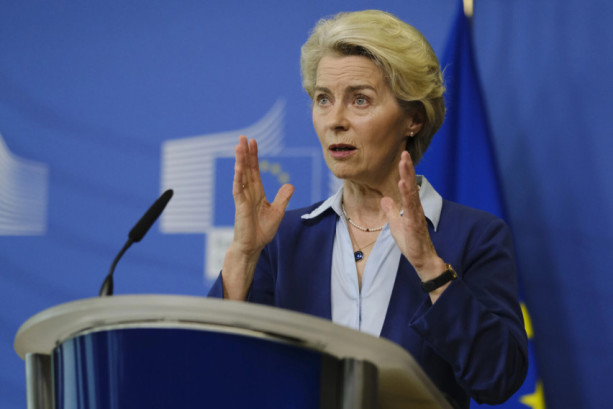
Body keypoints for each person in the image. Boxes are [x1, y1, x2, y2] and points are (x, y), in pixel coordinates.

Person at [208, 9, 528, 408]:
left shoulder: (472, 235)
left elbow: (498, 379)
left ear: (413, 119)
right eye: (323, 99)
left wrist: (429, 266)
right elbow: (215, 370)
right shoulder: (282, 239)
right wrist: (242, 255)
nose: (335, 121)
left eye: (360, 100)